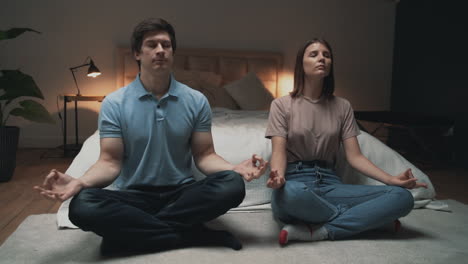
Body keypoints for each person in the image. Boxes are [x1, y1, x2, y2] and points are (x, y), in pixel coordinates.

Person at [34, 18, 267, 255]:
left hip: (182, 194)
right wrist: (80, 182)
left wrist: (233, 169)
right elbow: (109, 161)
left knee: (232, 185)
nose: (160, 51)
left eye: (166, 45)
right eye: (151, 45)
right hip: (132, 196)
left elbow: (205, 155)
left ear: (172, 52)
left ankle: (132, 235)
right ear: (137, 53)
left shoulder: (196, 101)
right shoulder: (115, 103)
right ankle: (192, 234)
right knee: (81, 206)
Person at [265, 38, 427, 246]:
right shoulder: (281, 105)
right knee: (291, 195)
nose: (321, 58)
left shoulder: (343, 106)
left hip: (331, 184)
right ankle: (367, 219)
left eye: (326, 55)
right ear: (301, 64)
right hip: (295, 183)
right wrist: (278, 177)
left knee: (403, 198)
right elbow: (279, 152)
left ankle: (322, 230)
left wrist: (391, 180)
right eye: (313, 54)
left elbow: (355, 157)